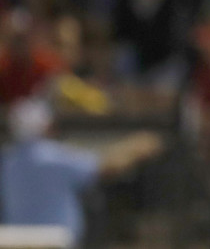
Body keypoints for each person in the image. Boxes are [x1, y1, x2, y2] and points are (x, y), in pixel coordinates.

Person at [0, 98, 163, 248]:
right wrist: (137, 146)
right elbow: (106, 168)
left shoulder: (8, 161)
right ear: (47, 126)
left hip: (17, 243)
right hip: (55, 243)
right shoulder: (51, 156)